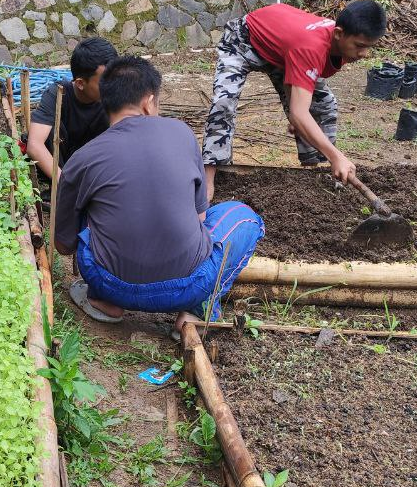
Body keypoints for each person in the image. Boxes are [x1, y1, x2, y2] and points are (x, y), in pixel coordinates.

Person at [54, 56, 264, 332]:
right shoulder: (181, 133)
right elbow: (200, 217)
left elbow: (63, 245)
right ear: (148, 102)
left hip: (110, 284)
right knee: (245, 217)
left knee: (90, 209)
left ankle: (104, 303)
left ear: (105, 103)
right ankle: (195, 312)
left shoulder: (82, 158)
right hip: (187, 286)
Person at [201, 0, 386, 200]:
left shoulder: (331, 45)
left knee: (324, 104)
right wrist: (336, 154)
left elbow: (294, 65)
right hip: (243, 41)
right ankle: (208, 179)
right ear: (339, 33)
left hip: (281, 51)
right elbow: (299, 111)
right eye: (360, 46)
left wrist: (296, 113)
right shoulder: (312, 47)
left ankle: (315, 175)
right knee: (223, 104)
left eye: (369, 47)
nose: (364, 54)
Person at [25, 37, 119, 186]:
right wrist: (66, 185)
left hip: (93, 168)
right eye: (105, 81)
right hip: (60, 167)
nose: (113, 86)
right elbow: (34, 145)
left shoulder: (115, 98)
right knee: (48, 129)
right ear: (80, 83)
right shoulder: (58, 94)